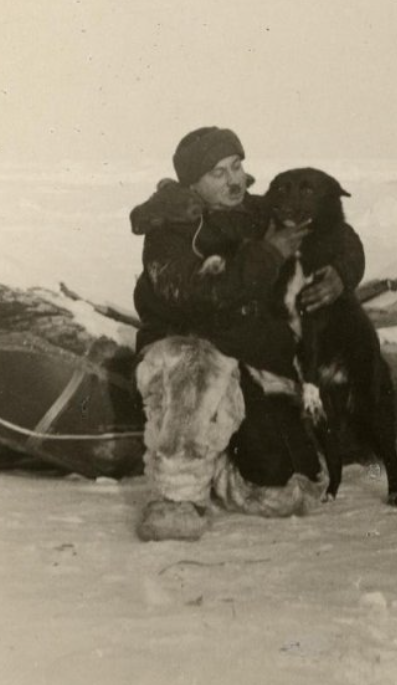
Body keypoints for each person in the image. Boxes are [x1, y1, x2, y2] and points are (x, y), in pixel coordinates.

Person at [129, 126, 365, 540]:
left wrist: (342, 274)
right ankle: (177, 497)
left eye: (237, 166)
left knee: (286, 488)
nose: (234, 180)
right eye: (218, 173)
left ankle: (219, 458)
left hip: (248, 350)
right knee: (194, 363)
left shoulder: (257, 213)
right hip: (187, 348)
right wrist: (270, 253)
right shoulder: (169, 230)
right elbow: (194, 296)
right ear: (192, 182)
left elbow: (338, 233)